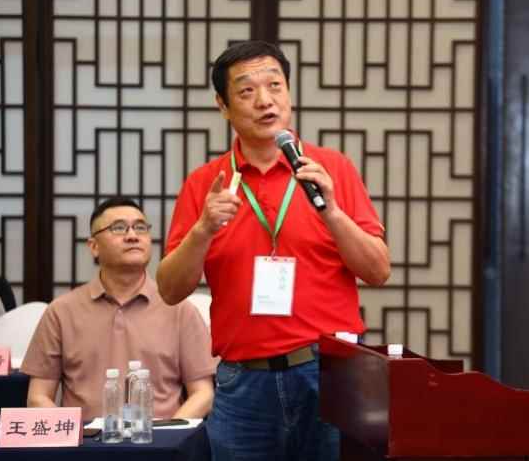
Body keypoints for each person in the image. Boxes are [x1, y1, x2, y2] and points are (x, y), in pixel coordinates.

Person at [157, 40, 391, 460]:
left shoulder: (332, 169)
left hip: (330, 373)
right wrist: (203, 229)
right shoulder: (206, 183)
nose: (265, 100)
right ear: (223, 106)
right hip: (243, 383)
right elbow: (171, 290)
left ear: (290, 93)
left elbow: (377, 271)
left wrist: (332, 211)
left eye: (275, 85)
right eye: (247, 91)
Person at [21, 197, 216, 420]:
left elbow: (203, 394)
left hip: (160, 436)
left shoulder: (179, 309)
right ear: (94, 246)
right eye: (119, 228)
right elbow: (38, 397)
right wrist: (73, 434)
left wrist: (168, 433)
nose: (132, 236)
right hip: (84, 438)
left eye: (140, 228)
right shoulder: (61, 311)